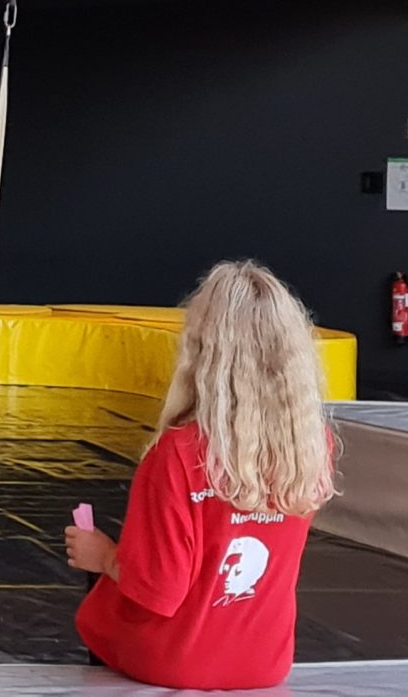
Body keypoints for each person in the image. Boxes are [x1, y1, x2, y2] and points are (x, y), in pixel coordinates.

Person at [65, 260, 336, 690]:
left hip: (172, 661)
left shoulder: (179, 453)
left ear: (202, 352)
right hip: (265, 661)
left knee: (102, 614)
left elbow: (157, 588)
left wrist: (102, 556)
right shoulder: (311, 445)